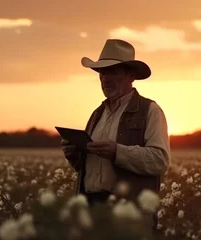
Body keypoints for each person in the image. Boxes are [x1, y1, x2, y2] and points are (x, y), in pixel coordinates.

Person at [61, 39, 171, 232]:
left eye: (113, 71)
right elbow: (89, 169)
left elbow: (159, 160)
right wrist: (74, 154)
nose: (106, 78)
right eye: (102, 73)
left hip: (128, 213)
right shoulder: (97, 114)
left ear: (131, 75)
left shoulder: (150, 110)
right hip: (92, 210)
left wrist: (117, 152)